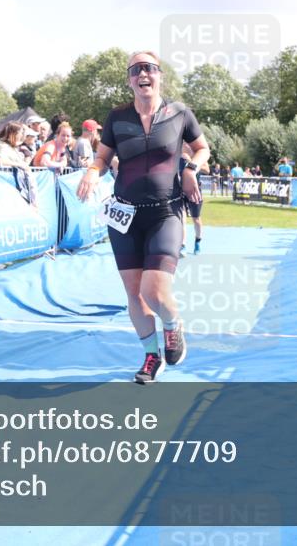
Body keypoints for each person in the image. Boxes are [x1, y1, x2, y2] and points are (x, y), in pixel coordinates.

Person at [77, 50, 210, 384]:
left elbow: (202, 148)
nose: (143, 74)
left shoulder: (180, 113)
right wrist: (93, 171)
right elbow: (103, 157)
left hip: (166, 213)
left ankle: (173, 326)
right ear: (129, 80)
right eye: (136, 70)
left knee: (155, 291)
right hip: (124, 216)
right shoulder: (117, 117)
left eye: (149, 68)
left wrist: (192, 169)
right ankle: (152, 356)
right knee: (134, 294)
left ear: (160, 75)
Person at [179, 144, 207, 256]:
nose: (186, 145)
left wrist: (190, 161)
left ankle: (198, 241)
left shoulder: (198, 155)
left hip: (195, 192)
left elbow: (207, 169)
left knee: (196, 219)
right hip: (180, 191)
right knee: (182, 218)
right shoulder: (177, 155)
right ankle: (183, 245)